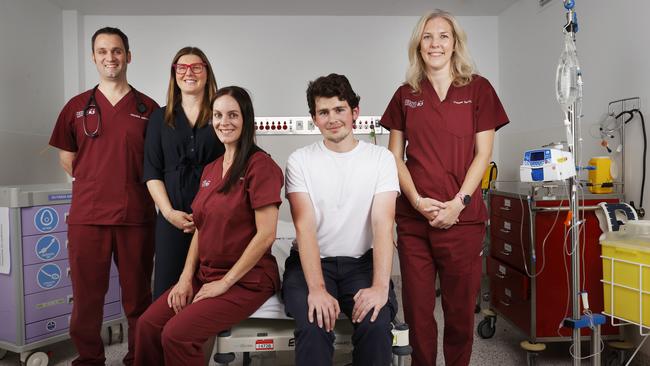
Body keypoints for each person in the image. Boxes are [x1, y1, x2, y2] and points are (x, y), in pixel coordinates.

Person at [380, 10, 509, 366]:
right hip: (415, 222)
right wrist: (418, 202)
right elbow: (395, 156)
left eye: (443, 36)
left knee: (459, 313)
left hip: (462, 221)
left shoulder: (478, 89)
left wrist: (458, 203)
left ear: (455, 44)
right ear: (418, 46)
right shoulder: (405, 95)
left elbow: (483, 154)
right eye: (427, 37)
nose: (435, 43)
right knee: (418, 313)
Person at [134, 86, 283, 365]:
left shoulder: (260, 166)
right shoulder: (211, 169)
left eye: (232, 115)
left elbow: (266, 235)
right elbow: (201, 228)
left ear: (246, 119)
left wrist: (224, 284)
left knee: (176, 335)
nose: (223, 122)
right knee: (147, 325)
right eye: (217, 115)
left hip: (246, 281)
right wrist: (185, 279)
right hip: (207, 274)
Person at [48, 27, 159, 365]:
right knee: (86, 300)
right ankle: (90, 359)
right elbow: (67, 158)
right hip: (88, 218)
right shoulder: (76, 107)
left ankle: (137, 357)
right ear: (94, 57)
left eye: (117, 51)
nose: (110, 57)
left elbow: (155, 163)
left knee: (138, 298)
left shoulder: (149, 108)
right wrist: (98, 180)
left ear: (128, 55)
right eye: (102, 51)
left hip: (135, 217)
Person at [283, 73, 399, 366]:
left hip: (361, 264)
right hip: (310, 265)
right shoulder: (300, 160)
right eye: (324, 112)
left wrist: (380, 288)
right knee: (314, 324)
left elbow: (383, 224)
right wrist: (318, 289)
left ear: (354, 112)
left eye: (339, 109)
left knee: (375, 324)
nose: (332, 118)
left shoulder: (381, 159)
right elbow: (304, 226)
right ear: (314, 118)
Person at [144, 46, 224, 300]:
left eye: (196, 67)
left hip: (214, 220)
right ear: (174, 73)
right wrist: (168, 213)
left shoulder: (222, 115)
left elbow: (233, 164)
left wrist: (211, 213)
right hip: (172, 221)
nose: (189, 73)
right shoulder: (159, 118)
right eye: (182, 67)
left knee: (208, 293)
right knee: (166, 293)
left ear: (206, 72)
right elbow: (152, 171)